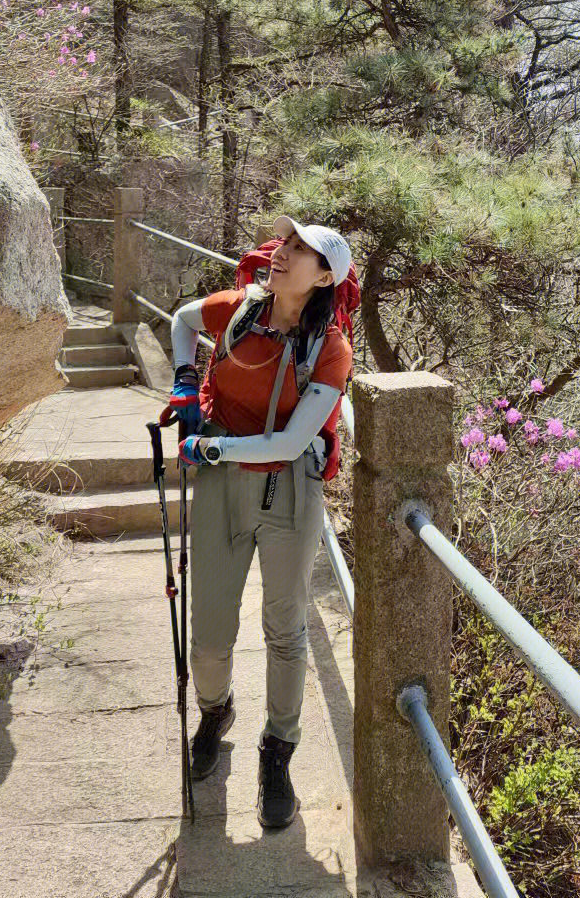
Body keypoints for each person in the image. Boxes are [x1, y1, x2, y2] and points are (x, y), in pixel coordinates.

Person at [161, 215, 354, 830]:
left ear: (324, 276)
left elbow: (294, 441)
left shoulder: (331, 348)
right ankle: (216, 711)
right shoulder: (240, 310)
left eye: (301, 251)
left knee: (285, 629)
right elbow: (182, 322)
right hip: (221, 485)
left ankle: (279, 752)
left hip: (287, 492)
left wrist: (209, 450)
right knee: (210, 632)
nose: (283, 254)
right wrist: (186, 382)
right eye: (285, 243)